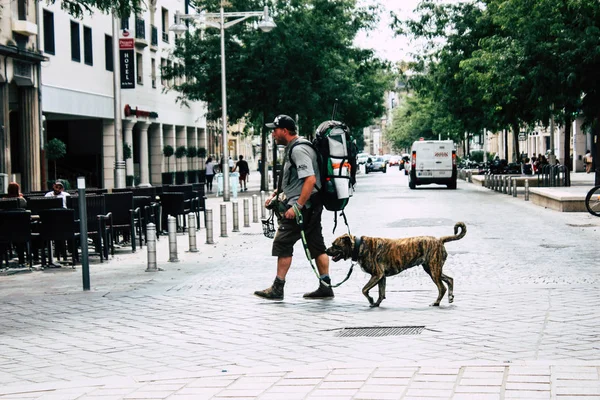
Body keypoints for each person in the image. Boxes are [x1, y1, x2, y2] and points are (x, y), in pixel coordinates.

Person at [254, 114, 333, 301]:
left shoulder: (299, 150)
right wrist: (277, 193)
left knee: (282, 243)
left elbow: (310, 179)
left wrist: (297, 207)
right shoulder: (295, 147)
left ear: (285, 130)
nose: (273, 133)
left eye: (275, 129)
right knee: (317, 246)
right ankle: (325, 286)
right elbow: (296, 179)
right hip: (310, 206)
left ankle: (277, 288)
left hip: (302, 209)